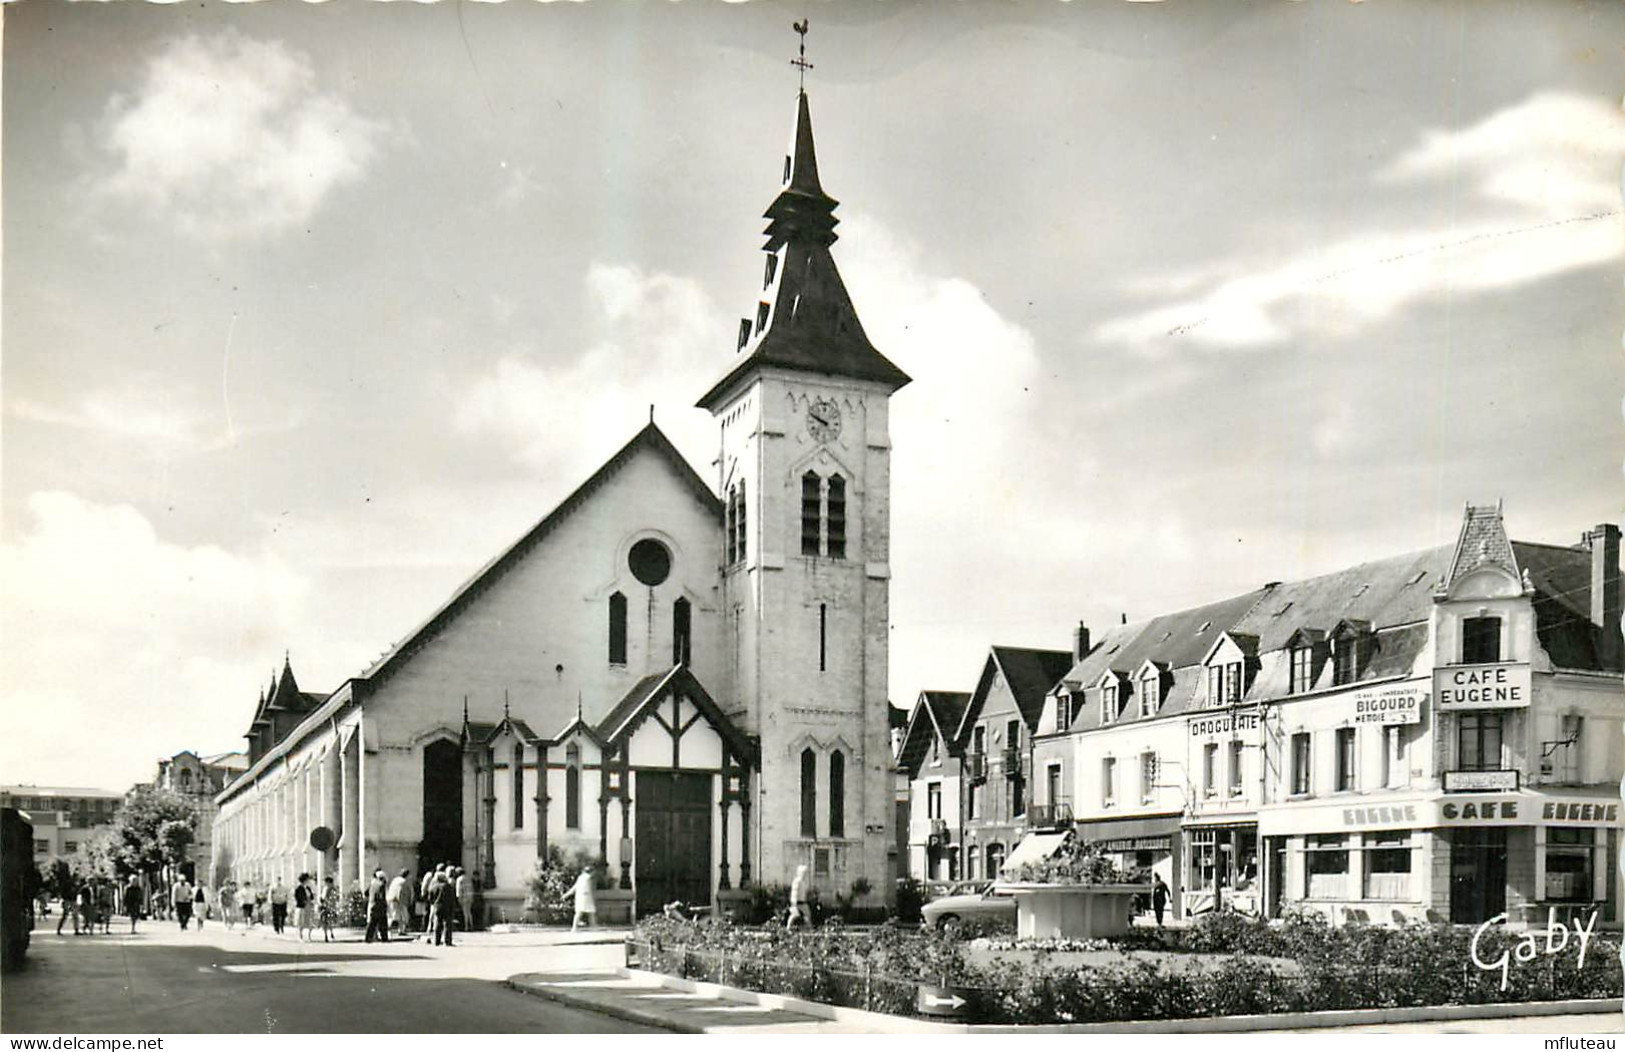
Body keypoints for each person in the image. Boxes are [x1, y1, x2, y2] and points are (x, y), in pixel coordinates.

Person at [430, 869, 458, 947]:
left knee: (438, 924)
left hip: (437, 906)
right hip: (447, 906)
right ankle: (447, 941)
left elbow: (430, 897)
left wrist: (433, 903)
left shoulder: (434, 887)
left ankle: (437, 941)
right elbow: (452, 897)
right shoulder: (448, 886)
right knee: (447, 924)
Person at [566, 867, 596, 932]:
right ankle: (593, 927)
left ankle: (574, 928)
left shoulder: (580, 878)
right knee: (591, 913)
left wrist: (566, 895)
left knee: (579, 912)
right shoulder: (588, 877)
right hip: (587, 896)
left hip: (579, 896)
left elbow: (574, 888)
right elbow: (590, 888)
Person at [364, 868, 390, 943]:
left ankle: (368, 938)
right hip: (380, 905)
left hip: (372, 904)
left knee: (372, 923)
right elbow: (381, 896)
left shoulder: (372, 883)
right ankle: (384, 938)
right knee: (383, 923)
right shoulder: (381, 885)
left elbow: (366, 893)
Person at [787, 865, 812, 930]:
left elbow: (804, 892)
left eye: (806, 873)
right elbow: (795, 891)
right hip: (796, 901)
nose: (805, 875)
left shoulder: (803, 882)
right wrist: (794, 902)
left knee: (807, 914)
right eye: (804, 873)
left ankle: (808, 928)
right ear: (800, 873)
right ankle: (788, 927)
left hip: (802, 901)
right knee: (795, 915)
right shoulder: (797, 881)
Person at [293, 873, 315, 942]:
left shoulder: (308, 888)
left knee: (309, 921)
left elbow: (311, 896)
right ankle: (300, 935)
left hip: (308, 906)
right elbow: (297, 897)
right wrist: (303, 901)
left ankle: (309, 936)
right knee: (301, 922)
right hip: (302, 906)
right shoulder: (298, 888)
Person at [386, 869, 408, 935]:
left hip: (390, 899)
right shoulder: (403, 881)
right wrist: (401, 901)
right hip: (397, 900)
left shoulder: (395, 879)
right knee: (403, 916)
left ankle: (391, 930)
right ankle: (400, 930)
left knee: (392, 916)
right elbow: (400, 891)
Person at [318, 876, 338, 943]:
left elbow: (323, 898)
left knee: (326, 922)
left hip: (327, 907)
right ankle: (329, 934)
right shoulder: (333, 889)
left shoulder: (328, 889)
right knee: (328, 921)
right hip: (330, 907)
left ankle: (327, 935)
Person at [454, 866, 473, 932]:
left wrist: (458, 898)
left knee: (465, 913)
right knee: (469, 912)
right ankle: (471, 924)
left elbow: (459, 890)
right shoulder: (468, 878)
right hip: (470, 897)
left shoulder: (459, 879)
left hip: (464, 897)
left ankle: (466, 926)